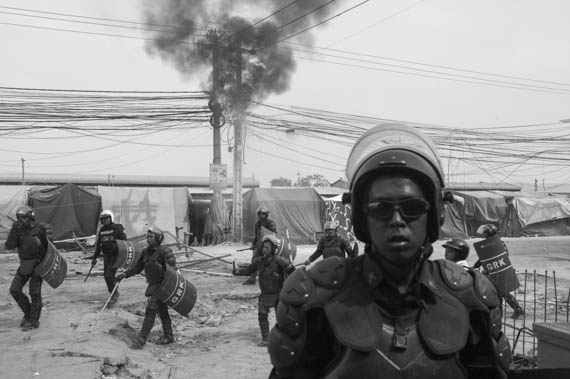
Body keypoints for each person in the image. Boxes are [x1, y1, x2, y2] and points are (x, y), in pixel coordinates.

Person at [268, 124, 511, 378]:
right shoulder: (314, 294)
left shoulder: (472, 297)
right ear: (361, 217)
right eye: (380, 208)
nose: (397, 220)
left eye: (413, 207)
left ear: (434, 214)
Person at [116, 226, 177, 348]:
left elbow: (173, 271)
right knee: (162, 311)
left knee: (151, 310)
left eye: (151, 236)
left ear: (158, 238)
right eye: (147, 236)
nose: (148, 239)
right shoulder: (145, 252)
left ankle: (141, 339)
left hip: (162, 285)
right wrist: (125, 274)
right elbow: (138, 268)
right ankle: (169, 336)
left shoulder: (165, 252)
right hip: (153, 285)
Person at [234, 234, 295, 347]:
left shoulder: (280, 261)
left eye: (267, 247)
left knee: (281, 318)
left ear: (273, 249)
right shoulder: (259, 261)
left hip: (278, 294)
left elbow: (293, 273)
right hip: (265, 294)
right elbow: (248, 271)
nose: (264, 249)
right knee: (262, 316)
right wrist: (237, 272)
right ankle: (266, 339)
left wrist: (290, 271)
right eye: (264, 247)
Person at [5, 206, 50, 330]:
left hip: (38, 265)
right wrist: (14, 231)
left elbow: (48, 248)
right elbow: (9, 246)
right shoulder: (18, 230)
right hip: (25, 264)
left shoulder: (39, 229)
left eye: (24, 217)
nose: (22, 220)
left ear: (30, 216)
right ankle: (28, 313)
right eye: (20, 218)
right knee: (15, 290)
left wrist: (46, 267)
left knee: (34, 293)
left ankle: (33, 320)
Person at [474, 224, 525, 319]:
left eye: (485, 233)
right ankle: (516, 309)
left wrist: (475, 266)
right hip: (490, 269)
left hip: (497, 270)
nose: (484, 235)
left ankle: (515, 309)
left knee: (501, 291)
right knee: (500, 291)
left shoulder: (498, 243)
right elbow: (483, 257)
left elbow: (502, 255)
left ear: (489, 233)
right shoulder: (488, 243)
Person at [91, 210, 126, 306]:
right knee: (106, 275)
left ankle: (115, 294)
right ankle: (113, 291)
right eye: (103, 219)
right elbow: (99, 245)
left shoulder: (117, 229)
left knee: (109, 275)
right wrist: (94, 258)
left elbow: (125, 243)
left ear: (111, 218)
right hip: (106, 256)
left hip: (115, 256)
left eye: (107, 218)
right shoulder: (101, 231)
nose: (105, 221)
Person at [243, 205, 277, 285]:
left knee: (270, 262)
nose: (261, 215)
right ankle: (252, 279)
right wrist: (253, 245)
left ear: (266, 214)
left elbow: (273, 234)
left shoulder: (270, 222)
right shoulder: (257, 224)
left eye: (263, 214)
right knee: (254, 260)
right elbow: (257, 236)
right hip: (259, 245)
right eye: (260, 214)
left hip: (268, 245)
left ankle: (271, 279)